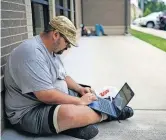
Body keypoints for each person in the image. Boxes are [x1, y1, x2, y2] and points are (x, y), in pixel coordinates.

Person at [4, 16, 133, 139]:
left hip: (50, 101)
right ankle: (110, 113)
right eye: (67, 42)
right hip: (29, 112)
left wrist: (79, 89)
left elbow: (64, 76)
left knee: (85, 92)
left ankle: (97, 111)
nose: (68, 47)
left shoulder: (52, 50)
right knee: (70, 114)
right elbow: (45, 95)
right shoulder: (31, 53)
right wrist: (79, 101)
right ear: (56, 35)